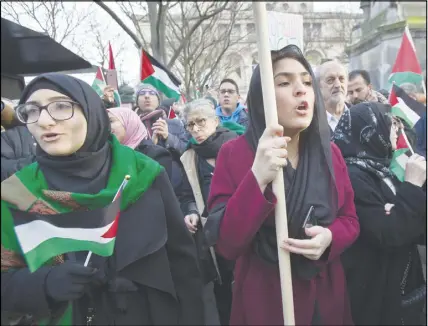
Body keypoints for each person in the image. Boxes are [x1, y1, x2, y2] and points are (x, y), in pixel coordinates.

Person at [1, 73, 204, 325]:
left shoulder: (144, 174)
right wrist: (44, 284)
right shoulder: (17, 193)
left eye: (61, 106)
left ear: (91, 111)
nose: (43, 120)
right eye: (31, 111)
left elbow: (184, 268)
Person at [206, 45, 359, 325]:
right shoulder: (233, 154)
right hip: (266, 302)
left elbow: (349, 219)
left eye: (306, 81)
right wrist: (257, 178)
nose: (301, 90)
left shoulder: (330, 153)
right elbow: (226, 244)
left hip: (326, 300)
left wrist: (329, 238)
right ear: (261, 96)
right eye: (285, 82)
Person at [333, 102, 427, 325]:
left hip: (400, 280)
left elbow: (415, 226)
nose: (397, 130)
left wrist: (402, 205)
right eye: (391, 123)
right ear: (370, 131)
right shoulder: (353, 175)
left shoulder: (380, 168)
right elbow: (391, 233)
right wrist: (412, 186)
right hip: (377, 290)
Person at [178, 99, 239, 325]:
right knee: (222, 291)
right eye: (190, 125)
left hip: (242, 227)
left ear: (215, 121)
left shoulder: (236, 145)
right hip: (212, 235)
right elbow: (186, 194)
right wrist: (191, 211)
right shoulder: (189, 157)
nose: (196, 129)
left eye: (201, 122)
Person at [107, 106, 172, 179]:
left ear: (129, 123)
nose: (106, 126)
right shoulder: (107, 156)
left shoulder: (156, 155)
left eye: (110, 121)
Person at [134, 84, 189, 154]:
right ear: (137, 101)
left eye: (152, 93)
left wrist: (168, 137)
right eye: (142, 93)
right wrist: (151, 143)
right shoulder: (131, 125)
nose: (147, 96)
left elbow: (186, 150)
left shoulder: (175, 123)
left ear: (158, 100)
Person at [317, 60, 349, 133]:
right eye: (330, 80)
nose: (338, 85)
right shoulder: (310, 122)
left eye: (341, 79)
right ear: (318, 86)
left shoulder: (359, 115)